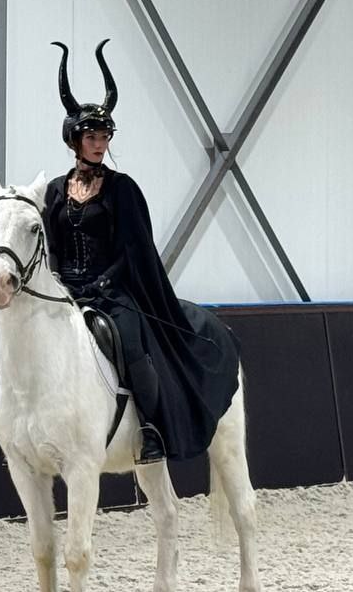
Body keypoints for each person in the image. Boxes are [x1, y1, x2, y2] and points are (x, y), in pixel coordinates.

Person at [41, 40, 241, 463]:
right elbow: (52, 244)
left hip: (111, 292)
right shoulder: (56, 191)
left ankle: (150, 429)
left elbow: (134, 248)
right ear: (75, 141)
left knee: (132, 345)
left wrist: (104, 281)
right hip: (66, 292)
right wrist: (57, 278)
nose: (99, 144)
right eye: (91, 137)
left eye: (104, 137)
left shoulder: (121, 189)